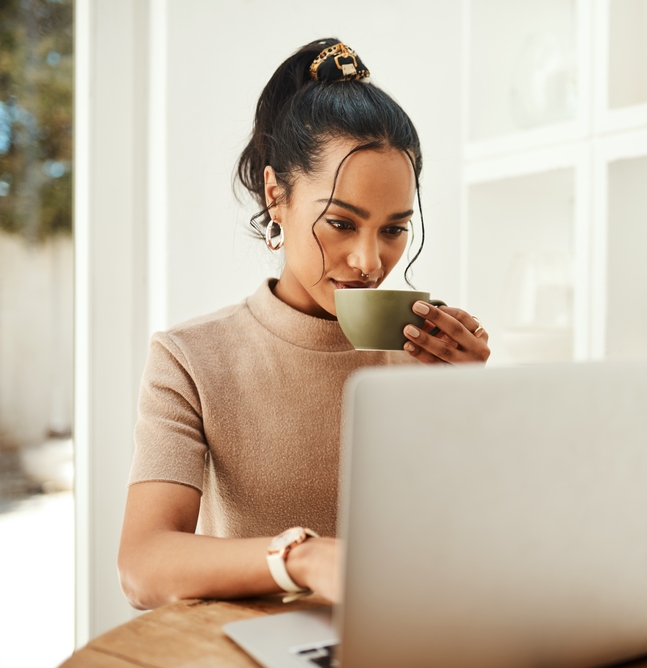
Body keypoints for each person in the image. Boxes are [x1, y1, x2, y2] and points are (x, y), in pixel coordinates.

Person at [118, 39, 489, 610]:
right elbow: (143, 567)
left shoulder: (427, 358)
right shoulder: (190, 359)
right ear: (277, 195)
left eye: (394, 229)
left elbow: (472, 547)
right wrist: (305, 558)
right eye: (342, 222)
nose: (370, 263)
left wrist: (473, 405)